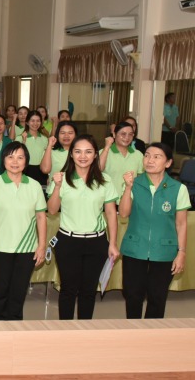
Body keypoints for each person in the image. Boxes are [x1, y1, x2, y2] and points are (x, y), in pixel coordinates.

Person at [47, 135, 119, 320]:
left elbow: (111, 213)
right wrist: (56, 186)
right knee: (68, 290)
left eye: (88, 152)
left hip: (97, 242)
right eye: (78, 151)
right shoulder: (61, 178)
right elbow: (53, 210)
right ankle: (65, 332)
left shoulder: (105, 180)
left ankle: (84, 331)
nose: (83, 156)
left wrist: (113, 243)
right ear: (71, 154)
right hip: (68, 241)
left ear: (96, 155)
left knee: (89, 291)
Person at [118, 142, 189, 319]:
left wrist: (181, 252)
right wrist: (127, 188)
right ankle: (133, 333)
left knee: (157, 297)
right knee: (133, 296)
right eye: (147, 155)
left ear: (168, 163)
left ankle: (152, 336)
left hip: (164, 250)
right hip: (135, 248)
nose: (150, 160)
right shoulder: (133, 183)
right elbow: (124, 213)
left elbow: (181, 224)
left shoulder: (178, 189)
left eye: (157, 157)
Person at [0, 142, 47, 320]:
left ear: (26, 161)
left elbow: (41, 217)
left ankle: (15, 331)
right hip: (0, 248)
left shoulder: (34, 185)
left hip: (27, 249)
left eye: (20, 157)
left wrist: (41, 245)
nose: (15, 161)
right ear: (4, 160)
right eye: (10, 157)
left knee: (18, 294)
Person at [100, 121, 144, 196]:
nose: (127, 137)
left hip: (130, 199)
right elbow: (99, 168)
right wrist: (107, 147)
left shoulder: (138, 154)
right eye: (123, 134)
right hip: (108, 200)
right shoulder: (104, 152)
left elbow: (141, 178)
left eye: (130, 134)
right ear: (114, 134)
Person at [15, 110, 49, 185]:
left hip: (41, 171)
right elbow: (17, 157)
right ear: (27, 122)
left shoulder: (44, 139)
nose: (35, 123)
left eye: (38, 121)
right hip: (25, 170)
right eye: (32, 121)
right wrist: (24, 142)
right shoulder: (19, 138)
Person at [40, 120, 77, 186]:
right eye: (62, 133)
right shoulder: (50, 151)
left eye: (70, 133)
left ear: (75, 135)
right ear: (57, 135)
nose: (66, 136)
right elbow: (45, 170)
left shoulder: (80, 152)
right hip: (54, 191)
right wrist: (49, 145)